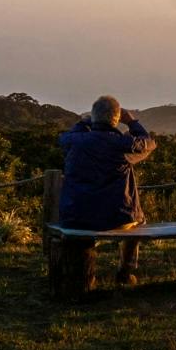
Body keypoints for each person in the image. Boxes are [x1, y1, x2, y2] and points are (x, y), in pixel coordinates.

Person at [57, 95, 157, 285]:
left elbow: (64, 138)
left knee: (86, 228)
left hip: (75, 218)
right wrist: (132, 122)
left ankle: (82, 276)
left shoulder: (73, 142)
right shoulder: (122, 146)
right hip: (117, 219)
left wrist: (83, 122)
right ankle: (125, 273)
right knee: (138, 221)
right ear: (116, 119)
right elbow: (148, 143)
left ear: (93, 117)